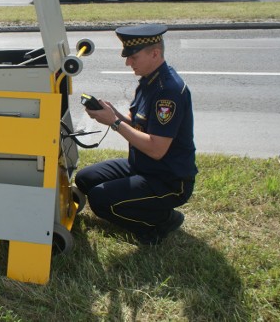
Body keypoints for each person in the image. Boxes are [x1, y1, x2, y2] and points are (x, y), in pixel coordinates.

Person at [75, 24, 197, 245]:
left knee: (100, 199)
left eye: (133, 57)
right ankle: (145, 206)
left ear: (155, 53)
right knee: (85, 179)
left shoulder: (167, 92)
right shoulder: (149, 81)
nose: (128, 62)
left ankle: (162, 221)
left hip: (168, 178)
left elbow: (157, 149)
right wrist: (115, 115)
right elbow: (140, 125)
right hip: (142, 165)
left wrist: (113, 123)